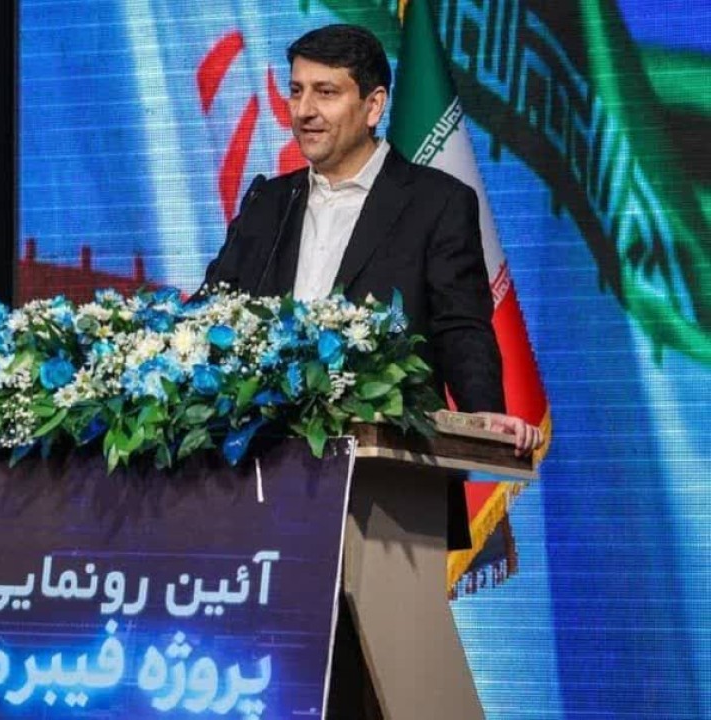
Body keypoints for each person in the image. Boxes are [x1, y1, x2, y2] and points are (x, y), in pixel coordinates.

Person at [202, 23, 543, 718]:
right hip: (263, 496)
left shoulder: (435, 202)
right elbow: (213, 313)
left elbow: (460, 325)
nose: (304, 110)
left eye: (326, 93)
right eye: (297, 91)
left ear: (375, 104)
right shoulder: (268, 203)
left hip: (384, 495)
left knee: (367, 690)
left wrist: (482, 411)